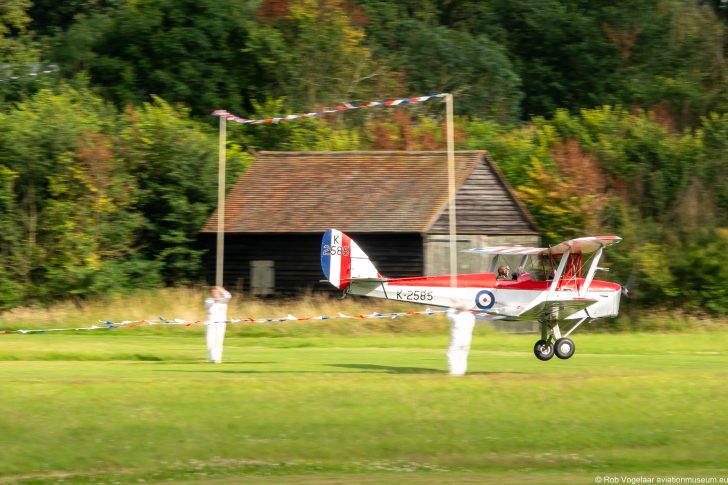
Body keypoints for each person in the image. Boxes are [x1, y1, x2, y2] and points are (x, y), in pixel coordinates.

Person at [446, 299, 476, 376]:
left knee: (451, 354)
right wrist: (457, 308)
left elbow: (449, 314)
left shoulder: (456, 316)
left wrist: (453, 307)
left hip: (457, 339)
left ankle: (454, 372)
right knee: (463, 356)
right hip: (467, 340)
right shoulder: (471, 317)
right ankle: (461, 372)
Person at [205, 286, 232, 364]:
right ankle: (211, 359)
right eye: (213, 292)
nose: (214, 293)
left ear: (219, 293)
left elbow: (229, 296)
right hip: (211, 324)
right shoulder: (209, 300)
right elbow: (207, 304)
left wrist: (222, 290)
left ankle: (218, 359)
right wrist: (215, 300)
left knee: (219, 341)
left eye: (216, 292)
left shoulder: (224, 300)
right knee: (210, 341)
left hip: (221, 324)